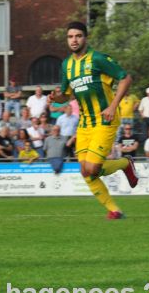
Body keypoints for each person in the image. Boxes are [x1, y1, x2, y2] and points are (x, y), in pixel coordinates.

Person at [46, 21, 136, 220]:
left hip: (105, 119)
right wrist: (56, 98)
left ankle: (124, 163)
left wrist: (112, 106)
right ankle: (114, 210)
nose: (74, 40)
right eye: (70, 37)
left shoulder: (98, 59)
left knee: (93, 168)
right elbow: (67, 95)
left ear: (85, 38)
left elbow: (126, 78)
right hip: (85, 123)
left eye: (78, 36)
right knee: (85, 171)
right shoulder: (66, 65)